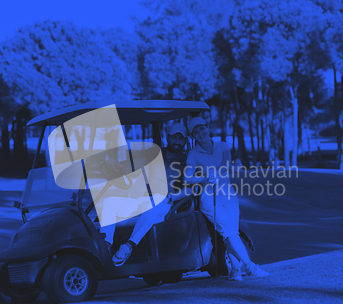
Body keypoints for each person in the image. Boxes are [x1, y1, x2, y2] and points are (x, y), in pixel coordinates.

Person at [184, 117, 269, 281]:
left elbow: (226, 164)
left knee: (232, 232)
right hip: (209, 197)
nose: (200, 133)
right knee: (228, 231)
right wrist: (204, 178)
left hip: (228, 194)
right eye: (195, 132)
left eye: (202, 129)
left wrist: (214, 172)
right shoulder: (193, 154)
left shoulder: (222, 145)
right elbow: (188, 178)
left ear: (208, 128)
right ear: (193, 136)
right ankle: (250, 266)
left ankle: (235, 269)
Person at [100, 123, 190, 266]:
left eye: (181, 138)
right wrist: (117, 165)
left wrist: (172, 197)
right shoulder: (155, 153)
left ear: (185, 140)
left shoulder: (186, 160)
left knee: (153, 205)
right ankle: (106, 246)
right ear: (168, 137)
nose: (177, 142)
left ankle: (128, 246)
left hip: (167, 202)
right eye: (174, 137)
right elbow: (136, 162)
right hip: (144, 198)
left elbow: (191, 188)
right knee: (109, 202)